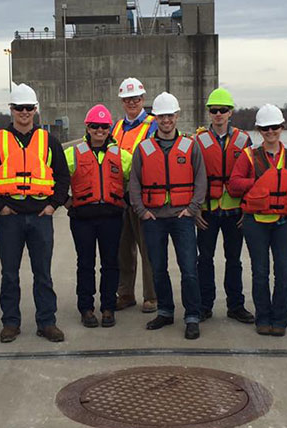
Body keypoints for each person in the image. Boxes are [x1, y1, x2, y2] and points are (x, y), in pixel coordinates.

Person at [0, 83, 70, 343]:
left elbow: (62, 177)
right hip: (10, 218)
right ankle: (10, 323)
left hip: (41, 216)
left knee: (43, 273)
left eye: (29, 108)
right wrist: (0, 206)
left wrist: (53, 204)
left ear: (35, 110)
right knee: (9, 273)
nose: (24, 112)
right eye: (19, 108)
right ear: (12, 110)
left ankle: (47, 322)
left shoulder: (49, 141)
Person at [129, 92, 207, 340]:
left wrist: (192, 209)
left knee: (189, 269)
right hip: (154, 218)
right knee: (158, 268)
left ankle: (192, 316)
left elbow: (200, 180)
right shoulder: (144, 148)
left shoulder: (189, 146)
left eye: (170, 115)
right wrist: (142, 211)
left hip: (182, 217)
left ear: (177, 116)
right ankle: (165, 310)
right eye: (162, 116)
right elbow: (134, 183)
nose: (166, 120)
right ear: (156, 118)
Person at [228, 104, 287, 336]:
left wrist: (284, 184)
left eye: (274, 127)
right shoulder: (249, 156)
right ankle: (263, 318)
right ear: (259, 130)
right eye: (265, 128)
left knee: (284, 271)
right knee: (260, 271)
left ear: (282, 127)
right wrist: (261, 183)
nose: (270, 132)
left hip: (283, 223)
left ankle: (281, 319)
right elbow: (234, 184)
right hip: (255, 223)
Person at [64, 105, 132, 328]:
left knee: (110, 263)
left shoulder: (121, 156)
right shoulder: (73, 154)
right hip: (82, 218)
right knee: (85, 263)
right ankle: (86, 308)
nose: (99, 130)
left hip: (111, 217)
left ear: (109, 128)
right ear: (88, 127)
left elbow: (137, 178)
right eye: (95, 126)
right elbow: (55, 176)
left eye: (104, 126)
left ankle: (108, 307)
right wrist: (66, 202)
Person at [193, 88, 254, 324]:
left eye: (223, 110)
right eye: (214, 110)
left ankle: (236, 306)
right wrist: (196, 208)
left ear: (230, 112)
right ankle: (204, 305)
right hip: (207, 211)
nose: (218, 114)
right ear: (209, 113)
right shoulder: (198, 140)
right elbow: (194, 176)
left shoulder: (243, 139)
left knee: (234, 260)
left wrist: (247, 208)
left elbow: (252, 175)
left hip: (235, 212)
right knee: (204, 259)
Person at [112, 77, 158, 313]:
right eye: (128, 99)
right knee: (123, 248)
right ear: (122, 101)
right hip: (120, 196)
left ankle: (151, 296)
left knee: (147, 248)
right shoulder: (116, 127)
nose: (132, 102)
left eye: (136, 98)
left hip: (142, 196)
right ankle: (125, 293)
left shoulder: (153, 125)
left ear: (143, 99)